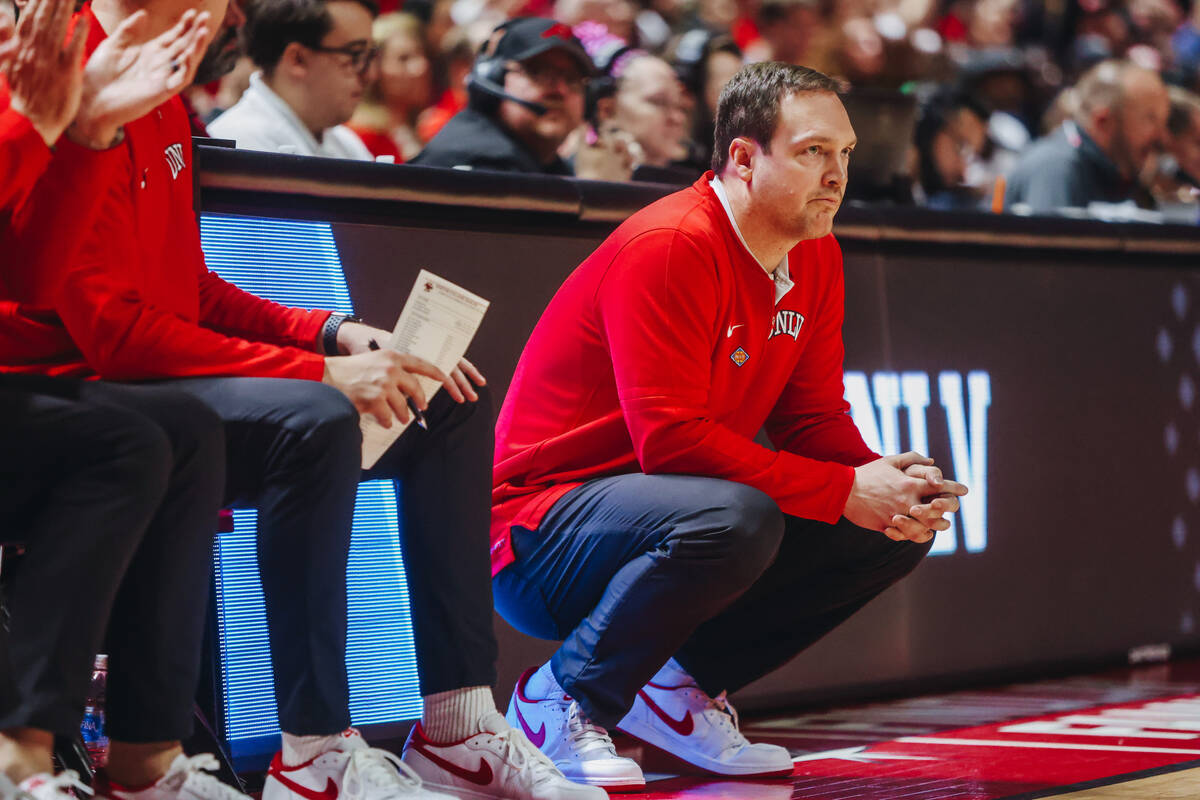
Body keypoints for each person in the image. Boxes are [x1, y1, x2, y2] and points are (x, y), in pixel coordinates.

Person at [6, 0, 606, 794]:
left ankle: (459, 726)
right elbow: (115, 334)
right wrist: (315, 373)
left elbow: (187, 286)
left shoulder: (161, 88)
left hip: (142, 387)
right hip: (96, 387)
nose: (231, 11)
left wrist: (327, 331)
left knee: (440, 398)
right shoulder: (66, 63)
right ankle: (312, 748)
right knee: (308, 419)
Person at [490, 61, 968, 792]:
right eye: (813, 152)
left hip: (668, 513)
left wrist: (882, 482)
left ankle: (674, 687)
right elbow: (672, 441)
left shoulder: (816, 252)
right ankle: (558, 698)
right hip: (539, 535)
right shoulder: (672, 243)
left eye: (843, 153)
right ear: (743, 158)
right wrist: (843, 489)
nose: (837, 173)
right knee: (736, 516)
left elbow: (811, 417)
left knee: (892, 525)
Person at [0, 3, 253, 800]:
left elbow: (29, 276)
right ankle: (21, 749)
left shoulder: (114, 94)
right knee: (127, 440)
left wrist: (83, 135)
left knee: (177, 428)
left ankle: (145, 758)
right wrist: (40, 128)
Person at [411, 17, 591, 174]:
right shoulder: (481, 164)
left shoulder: (545, 165)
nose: (560, 90)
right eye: (539, 73)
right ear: (493, 77)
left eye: (572, 79)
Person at [207, 0, 376, 158]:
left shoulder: (346, 142)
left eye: (369, 56)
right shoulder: (239, 148)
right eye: (355, 55)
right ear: (297, 59)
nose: (370, 75)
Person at [1004, 59, 1169, 214]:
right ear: (1102, 121)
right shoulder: (1055, 167)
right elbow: (1050, 243)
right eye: (1150, 119)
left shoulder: (1118, 173)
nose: (1162, 138)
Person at [347, 11, 432, 161]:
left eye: (421, 54)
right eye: (403, 59)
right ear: (374, 69)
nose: (422, 67)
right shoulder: (361, 138)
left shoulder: (419, 130)